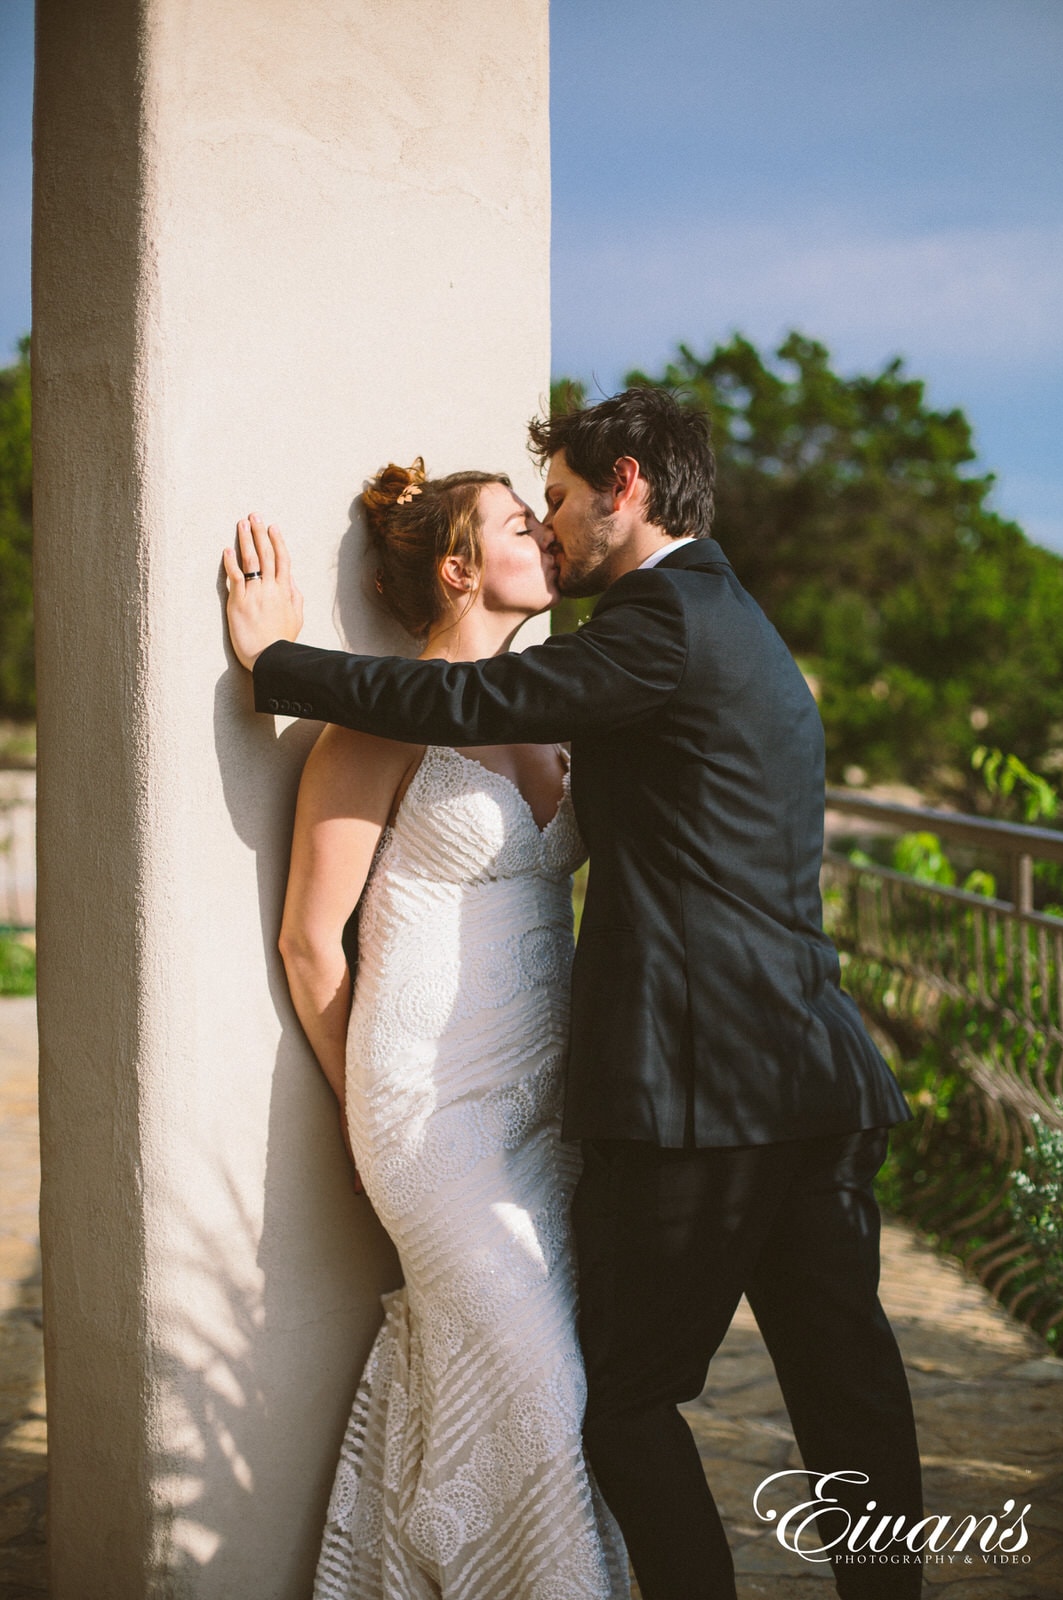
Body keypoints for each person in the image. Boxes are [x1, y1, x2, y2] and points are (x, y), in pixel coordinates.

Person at [224, 387, 924, 1600]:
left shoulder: (657, 625)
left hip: (703, 1091)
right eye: (525, 515)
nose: (549, 530)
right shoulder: (732, 620)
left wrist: (276, 664)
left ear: (627, 487)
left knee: (624, 1396)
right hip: (808, 1072)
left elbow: (469, 702)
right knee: (844, 1388)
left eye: (556, 502)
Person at [267, 461, 629, 1599]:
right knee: (535, 1385)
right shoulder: (374, 727)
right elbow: (309, 943)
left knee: (516, 1380)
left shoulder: (555, 714)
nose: (550, 535)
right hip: (427, 1122)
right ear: (461, 568)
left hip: (544, 1121)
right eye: (524, 522)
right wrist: (366, 1112)